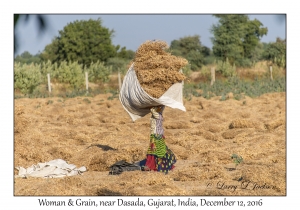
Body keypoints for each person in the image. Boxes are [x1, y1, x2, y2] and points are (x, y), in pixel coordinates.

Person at [141, 105, 176, 173]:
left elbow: (151, 109)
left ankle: (153, 165)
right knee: (154, 149)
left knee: (157, 150)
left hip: (156, 135)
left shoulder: (157, 115)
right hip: (156, 134)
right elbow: (160, 107)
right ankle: (151, 165)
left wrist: (148, 104)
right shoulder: (159, 114)